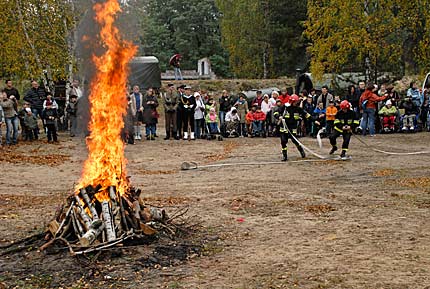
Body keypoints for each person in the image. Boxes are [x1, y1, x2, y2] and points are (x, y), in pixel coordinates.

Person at [273, 94, 310, 161]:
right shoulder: (285, 107)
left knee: (295, 141)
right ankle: (285, 156)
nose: (297, 103)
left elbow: (307, 115)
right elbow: (275, 112)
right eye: (296, 102)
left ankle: (301, 151)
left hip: (293, 128)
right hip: (284, 127)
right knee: (283, 141)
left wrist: (315, 120)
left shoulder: (298, 109)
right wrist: (278, 116)